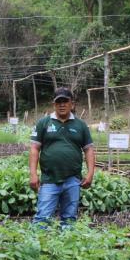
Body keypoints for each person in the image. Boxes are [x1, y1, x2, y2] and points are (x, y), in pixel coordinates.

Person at [29, 87, 95, 225]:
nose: (62, 104)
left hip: (72, 180)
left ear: (72, 103)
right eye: (59, 102)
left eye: (65, 101)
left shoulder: (81, 125)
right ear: (54, 104)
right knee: (42, 219)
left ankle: (66, 245)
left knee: (69, 219)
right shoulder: (44, 123)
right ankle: (39, 245)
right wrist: (33, 174)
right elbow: (35, 148)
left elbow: (88, 150)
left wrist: (90, 174)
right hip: (49, 179)